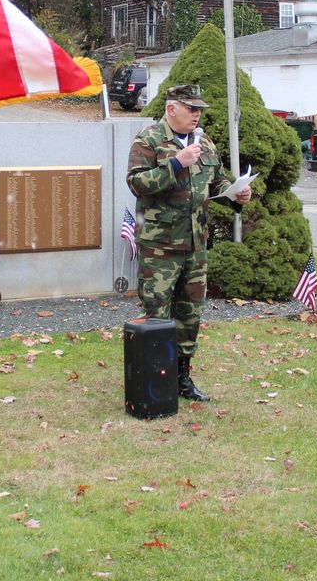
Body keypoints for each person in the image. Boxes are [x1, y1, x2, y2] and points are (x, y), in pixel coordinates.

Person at [126, 83, 253, 401]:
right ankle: (155, 381)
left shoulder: (204, 141)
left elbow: (216, 181)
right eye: (191, 109)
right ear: (172, 109)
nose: (197, 115)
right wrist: (175, 164)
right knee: (157, 313)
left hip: (196, 246)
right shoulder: (150, 139)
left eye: (199, 110)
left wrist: (236, 193)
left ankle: (182, 378)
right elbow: (137, 183)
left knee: (190, 316)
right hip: (161, 248)